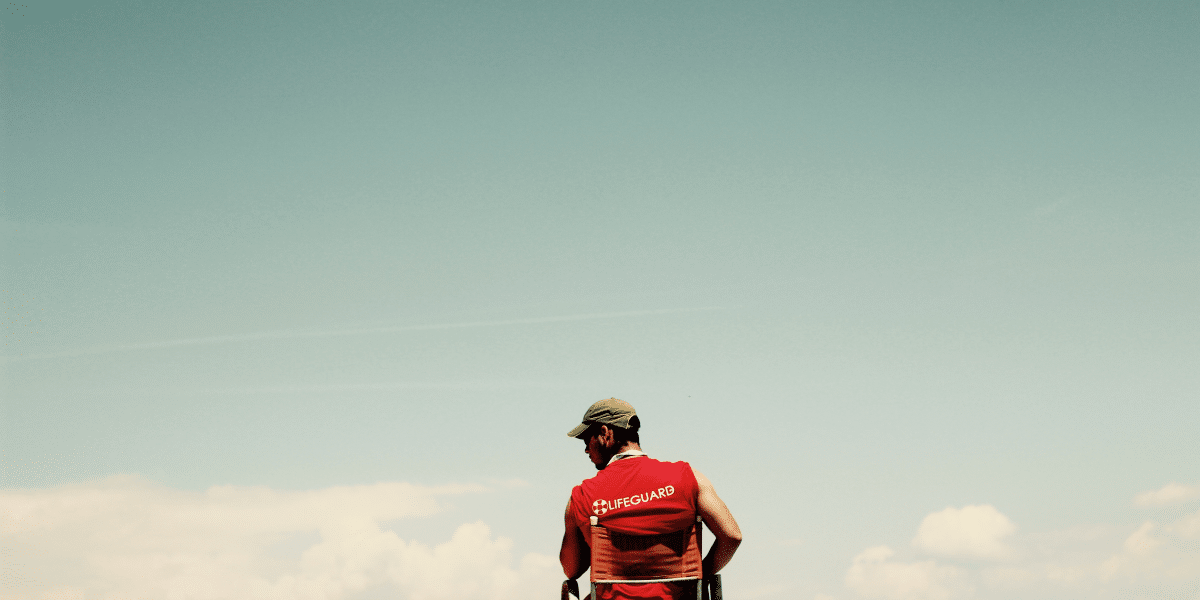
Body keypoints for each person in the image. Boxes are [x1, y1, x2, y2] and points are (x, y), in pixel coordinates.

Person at [560, 398, 742, 600]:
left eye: (587, 441)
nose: (586, 450)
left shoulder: (582, 496)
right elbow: (732, 536)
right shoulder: (689, 478)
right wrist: (699, 575)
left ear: (605, 433)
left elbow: (571, 570)